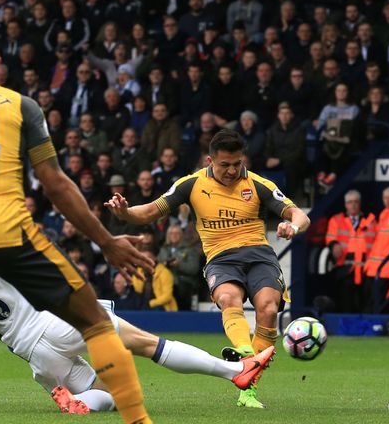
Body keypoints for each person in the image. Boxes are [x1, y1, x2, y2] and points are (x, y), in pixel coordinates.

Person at [0, 20, 155, 424]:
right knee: (96, 322)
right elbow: (57, 186)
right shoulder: (20, 105)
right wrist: (107, 241)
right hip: (11, 233)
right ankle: (139, 421)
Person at [105, 129, 310, 409]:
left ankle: (248, 388)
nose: (232, 170)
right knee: (228, 299)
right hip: (221, 259)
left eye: (237, 163)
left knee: (269, 309)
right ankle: (245, 353)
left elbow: (299, 214)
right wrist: (125, 213)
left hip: (259, 254)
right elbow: (152, 210)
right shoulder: (190, 185)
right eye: (224, 164)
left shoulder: (258, 184)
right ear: (209, 160)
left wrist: (292, 226)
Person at [0, 273, 274, 414]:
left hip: (34, 355)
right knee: (146, 344)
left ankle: (80, 400)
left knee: (111, 396)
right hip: (59, 321)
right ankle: (235, 371)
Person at [325, 190, 376, 313]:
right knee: (345, 299)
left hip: (366, 268)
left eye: (355, 202)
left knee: (366, 300)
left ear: (360, 204)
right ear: (345, 204)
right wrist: (334, 245)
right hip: (345, 266)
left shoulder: (371, 221)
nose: (353, 205)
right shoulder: (336, 220)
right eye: (350, 202)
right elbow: (330, 237)